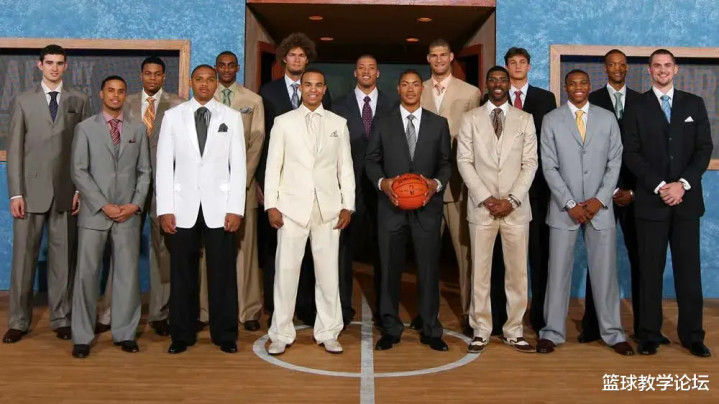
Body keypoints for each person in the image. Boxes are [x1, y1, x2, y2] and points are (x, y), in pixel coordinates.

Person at [536, 69, 633, 356]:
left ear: (590, 86)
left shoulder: (607, 118)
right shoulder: (551, 119)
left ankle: (613, 333)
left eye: (583, 83)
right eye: (572, 83)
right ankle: (552, 332)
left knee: (605, 273)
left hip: (599, 208)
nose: (578, 87)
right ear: (565, 87)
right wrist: (570, 203)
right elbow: (548, 165)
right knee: (557, 272)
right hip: (563, 209)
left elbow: (615, 162)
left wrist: (599, 200)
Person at [623, 49, 713, 358]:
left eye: (667, 65)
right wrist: (661, 186)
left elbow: (704, 149)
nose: (662, 70)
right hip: (652, 202)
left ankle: (693, 336)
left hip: (686, 201)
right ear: (649, 70)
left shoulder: (694, 103)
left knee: (689, 272)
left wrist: (682, 184)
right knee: (650, 271)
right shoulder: (636, 107)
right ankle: (649, 334)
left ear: (676, 69)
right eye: (657, 66)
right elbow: (631, 152)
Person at [155, 65, 246, 354]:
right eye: (199, 79)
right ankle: (181, 334)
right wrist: (165, 208)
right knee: (182, 274)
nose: (204, 84)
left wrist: (236, 208)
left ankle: (225, 334)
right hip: (182, 207)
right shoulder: (173, 117)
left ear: (216, 84)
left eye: (210, 80)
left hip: (221, 208)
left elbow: (238, 166)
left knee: (223, 274)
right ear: (190, 82)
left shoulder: (231, 117)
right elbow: (164, 165)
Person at [4, 44, 90, 344]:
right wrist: (16, 193)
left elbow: (84, 149)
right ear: (39, 65)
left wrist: (80, 188)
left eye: (59, 63)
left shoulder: (79, 100)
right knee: (23, 260)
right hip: (30, 192)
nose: (54, 68)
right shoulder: (23, 101)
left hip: (67, 190)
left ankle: (61, 318)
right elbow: (15, 150)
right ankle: (18, 321)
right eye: (49, 62)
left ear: (66, 66)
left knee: (63, 261)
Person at [265, 68, 354, 355]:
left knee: (328, 275)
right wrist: (271, 204)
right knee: (285, 274)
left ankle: (329, 331)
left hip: (328, 209)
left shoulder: (338, 123)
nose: (313, 89)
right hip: (291, 209)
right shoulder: (283, 122)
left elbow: (346, 168)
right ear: (300, 88)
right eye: (308, 85)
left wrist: (348, 205)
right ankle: (280, 333)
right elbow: (273, 167)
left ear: (325, 89)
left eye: (318, 85)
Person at [96, 56, 184, 336]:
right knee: (121, 249)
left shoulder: (179, 105)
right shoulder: (126, 102)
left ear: (164, 76)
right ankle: (110, 312)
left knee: (164, 251)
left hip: (164, 186)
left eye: (158, 74)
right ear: (141, 75)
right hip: (129, 186)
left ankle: (160, 313)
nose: (152, 78)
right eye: (148, 73)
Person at [366, 69, 451, 352]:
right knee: (389, 269)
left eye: (415, 84)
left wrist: (436, 184)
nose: (411, 89)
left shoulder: (439, 124)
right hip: (391, 207)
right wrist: (383, 182)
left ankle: (430, 329)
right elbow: (371, 160)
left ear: (422, 89)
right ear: (398, 89)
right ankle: (390, 328)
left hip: (427, 208)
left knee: (428, 270)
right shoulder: (383, 122)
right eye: (405, 84)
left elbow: (446, 163)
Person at [456, 66, 537, 353]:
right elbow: (464, 161)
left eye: (503, 79)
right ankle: (481, 329)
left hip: (516, 209)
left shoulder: (525, 119)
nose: (498, 83)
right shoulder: (470, 118)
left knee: (517, 273)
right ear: (487, 84)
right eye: (493, 79)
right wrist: (486, 198)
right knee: (480, 272)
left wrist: (512, 199)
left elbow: (530, 163)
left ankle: (514, 330)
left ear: (508, 83)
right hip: (482, 208)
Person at [69, 75, 151, 358]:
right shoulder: (85, 128)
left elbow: (145, 172)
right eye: (110, 91)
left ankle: (125, 333)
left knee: (127, 276)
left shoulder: (137, 129)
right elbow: (79, 171)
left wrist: (135, 205)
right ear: (101, 94)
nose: (115, 95)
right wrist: (103, 205)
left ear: (125, 95)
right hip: (95, 213)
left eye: (120, 91)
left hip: (127, 214)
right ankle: (82, 336)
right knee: (87, 275)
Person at [257, 33, 331, 327]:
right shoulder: (268, 91)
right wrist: (266, 186)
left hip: (311, 187)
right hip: (281, 184)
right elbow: (264, 142)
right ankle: (276, 309)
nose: (297, 59)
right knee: (278, 251)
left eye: (302, 55)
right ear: (284, 58)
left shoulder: (321, 92)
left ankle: (307, 307)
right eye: (292, 55)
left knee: (312, 253)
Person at [581, 49, 647, 344]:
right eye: (612, 64)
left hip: (635, 194)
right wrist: (608, 190)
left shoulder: (643, 101)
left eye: (622, 64)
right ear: (605, 68)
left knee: (641, 260)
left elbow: (648, 149)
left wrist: (631, 190)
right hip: (600, 194)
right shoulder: (592, 100)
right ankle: (592, 325)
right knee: (597, 261)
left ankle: (645, 327)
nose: (617, 68)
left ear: (627, 67)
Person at [199, 50, 265, 332]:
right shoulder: (204, 98)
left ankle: (248, 310)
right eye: (221, 65)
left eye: (231, 65)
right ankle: (204, 310)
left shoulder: (253, 100)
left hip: (242, 187)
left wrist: (241, 180)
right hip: (208, 189)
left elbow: (257, 142)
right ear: (216, 68)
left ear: (237, 68)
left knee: (245, 250)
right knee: (206, 250)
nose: (226, 70)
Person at [418, 39, 480, 334]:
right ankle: (425, 312)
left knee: (465, 254)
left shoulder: (470, 93)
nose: (439, 59)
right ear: (428, 59)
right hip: (423, 186)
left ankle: (469, 313)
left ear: (452, 56)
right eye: (434, 55)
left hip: (458, 186)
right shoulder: (416, 89)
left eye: (444, 54)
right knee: (425, 255)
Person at [332, 54, 393, 327]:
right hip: (348, 188)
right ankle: (343, 309)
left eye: (371, 68)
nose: (366, 72)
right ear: (354, 73)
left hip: (383, 189)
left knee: (384, 251)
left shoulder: (393, 105)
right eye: (361, 68)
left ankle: (385, 310)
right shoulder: (338, 105)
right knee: (343, 250)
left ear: (378, 73)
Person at [502, 47, 557, 335]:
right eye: (512, 62)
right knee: (506, 258)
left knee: (538, 255)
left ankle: (539, 315)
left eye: (522, 62)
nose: (517, 66)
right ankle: (504, 314)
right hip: (503, 189)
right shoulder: (494, 96)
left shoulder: (545, 98)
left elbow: (550, 141)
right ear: (506, 66)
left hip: (536, 190)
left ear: (529, 67)